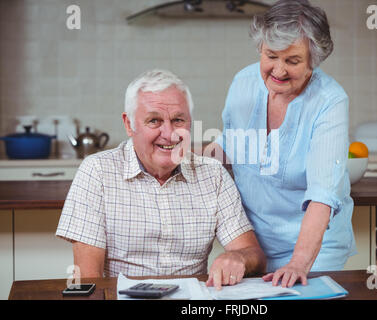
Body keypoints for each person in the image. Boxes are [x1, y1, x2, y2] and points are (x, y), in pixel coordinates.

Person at [56, 69, 266, 290]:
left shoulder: (213, 174)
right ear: (129, 124)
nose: (169, 134)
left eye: (178, 120)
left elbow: (255, 255)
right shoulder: (97, 171)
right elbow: (90, 279)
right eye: (154, 121)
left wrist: (240, 258)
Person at [208, 0, 356, 288]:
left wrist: (299, 262)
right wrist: (179, 158)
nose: (278, 70)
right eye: (271, 56)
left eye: (293, 60)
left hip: (313, 250)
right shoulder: (243, 83)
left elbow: (322, 194)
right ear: (260, 48)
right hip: (253, 245)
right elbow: (228, 147)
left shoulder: (330, 102)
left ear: (314, 60)